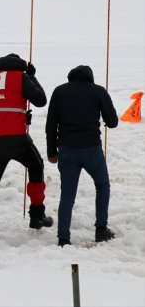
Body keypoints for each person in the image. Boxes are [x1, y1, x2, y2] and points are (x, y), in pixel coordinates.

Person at [0, 53, 52, 241]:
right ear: (20, 66)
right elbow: (41, 100)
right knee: (36, 166)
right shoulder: (21, 77)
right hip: (17, 140)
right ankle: (37, 216)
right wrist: (32, 76)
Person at [45, 65, 118, 246]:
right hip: (91, 149)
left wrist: (51, 151)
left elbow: (51, 124)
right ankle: (101, 229)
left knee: (67, 194)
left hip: (66, 150)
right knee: (102, 185)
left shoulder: (59, 91)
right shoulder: (98, 91)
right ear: (89, 78)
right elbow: (113, 122)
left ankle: (63, 238)